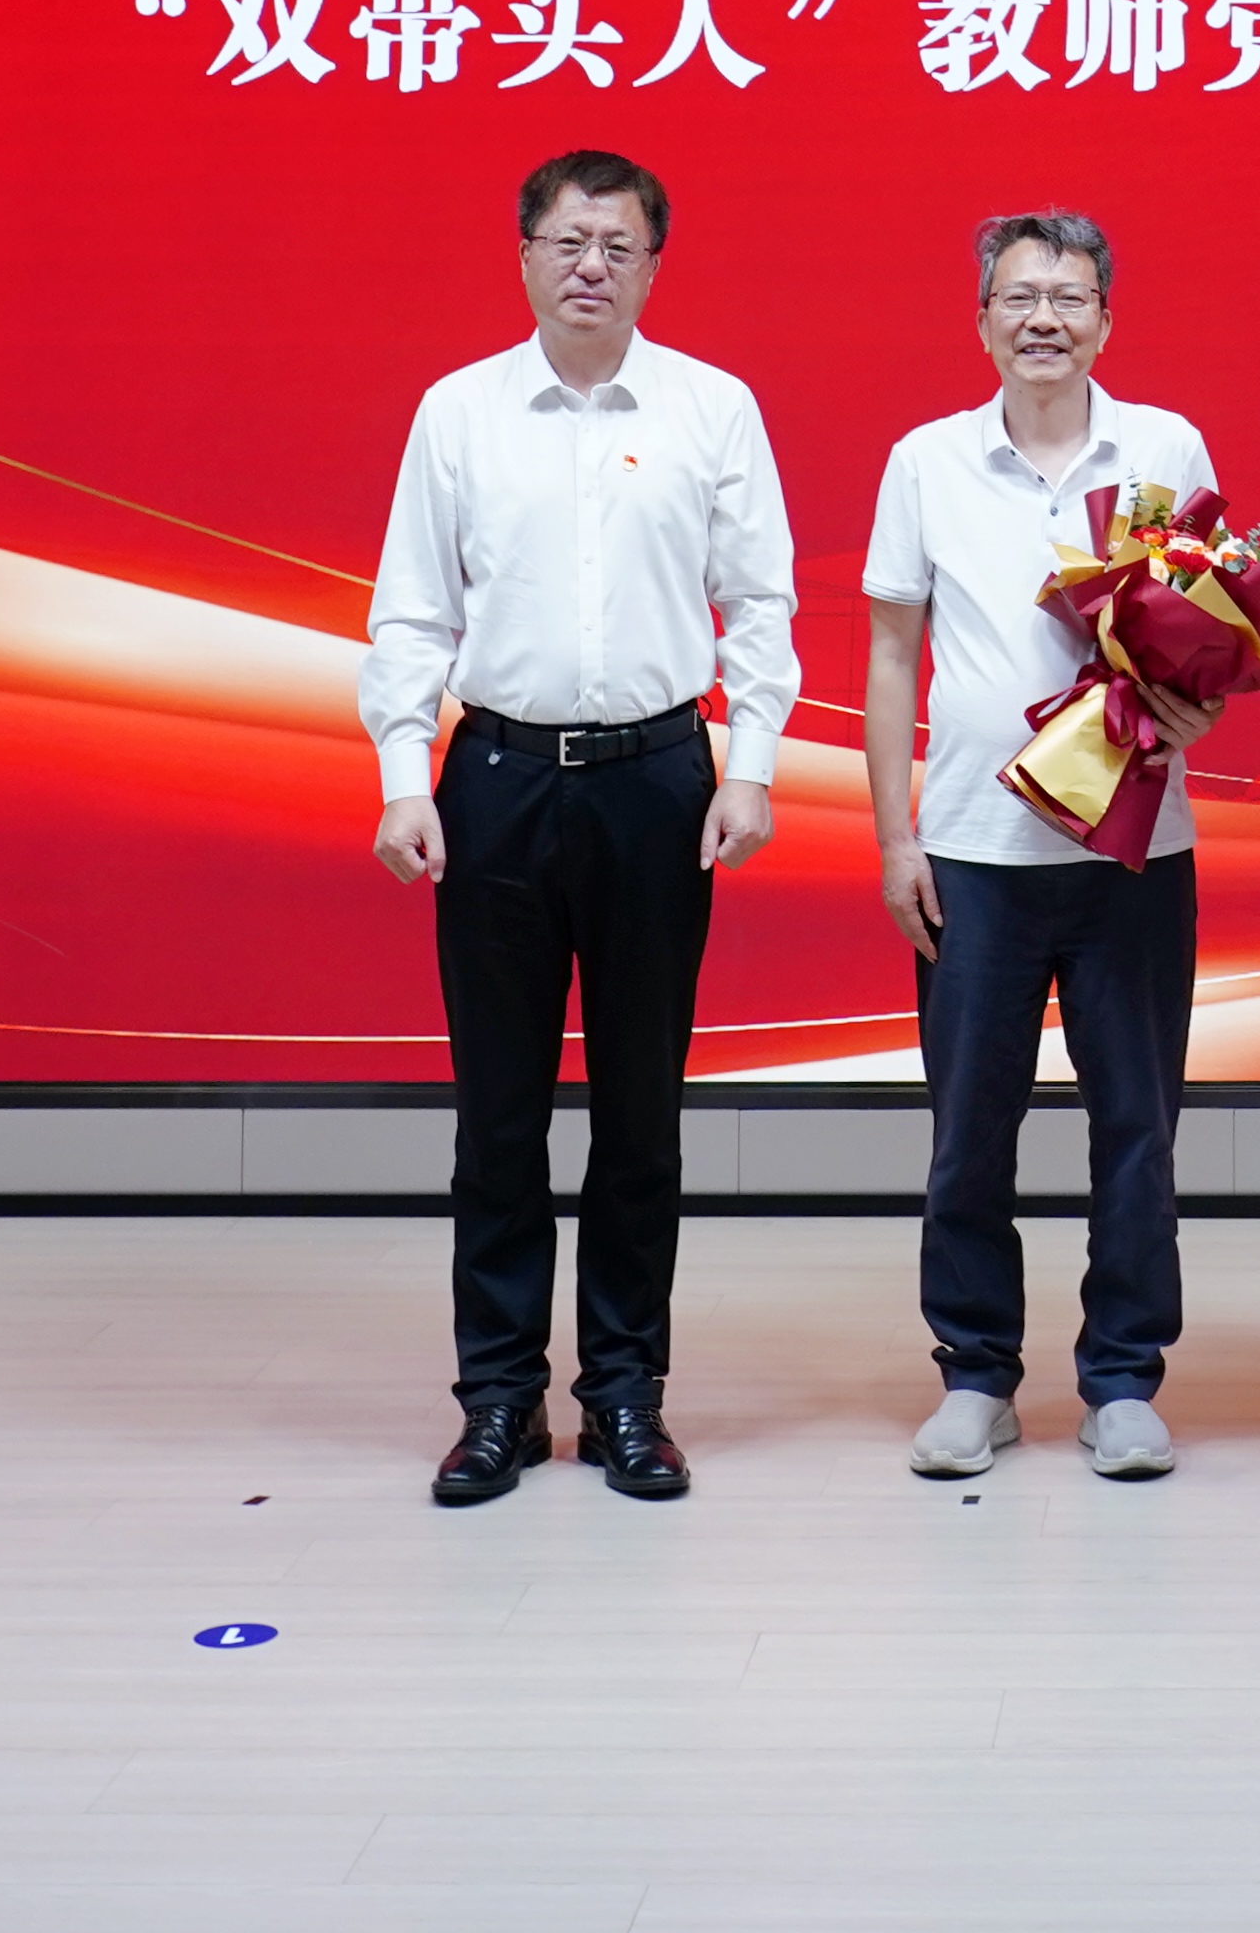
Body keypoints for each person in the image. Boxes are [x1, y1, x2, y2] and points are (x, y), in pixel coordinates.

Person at [361, 149, 793, 1507]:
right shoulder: (461, 411)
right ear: (526, 256)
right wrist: (403, 774)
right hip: (495, 781)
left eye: (617, 244)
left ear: (655, 264)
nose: (591, 265)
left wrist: (751, 767)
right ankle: (497, 1398)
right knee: (498, 1114)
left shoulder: (712, 407)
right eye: (566, 241)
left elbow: (761, 604)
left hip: (658, 781)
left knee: (641, 1112)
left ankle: (623, 1396)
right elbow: (411, 610)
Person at [857, 208, 1218, 1483]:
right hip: (971, 848)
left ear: (1106, 320)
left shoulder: (1165, 445)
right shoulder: (927, 460)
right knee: (969, 1130)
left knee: (1139, 1127)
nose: (1044, 318)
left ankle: (1123, 1378)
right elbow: (891, 652)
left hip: (1134, 849)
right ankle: (976, 1374)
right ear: (983, 320)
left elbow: (1205, 630)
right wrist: (895, 834)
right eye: (1019, 296)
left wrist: (1200, 701)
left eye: (1069, 297)